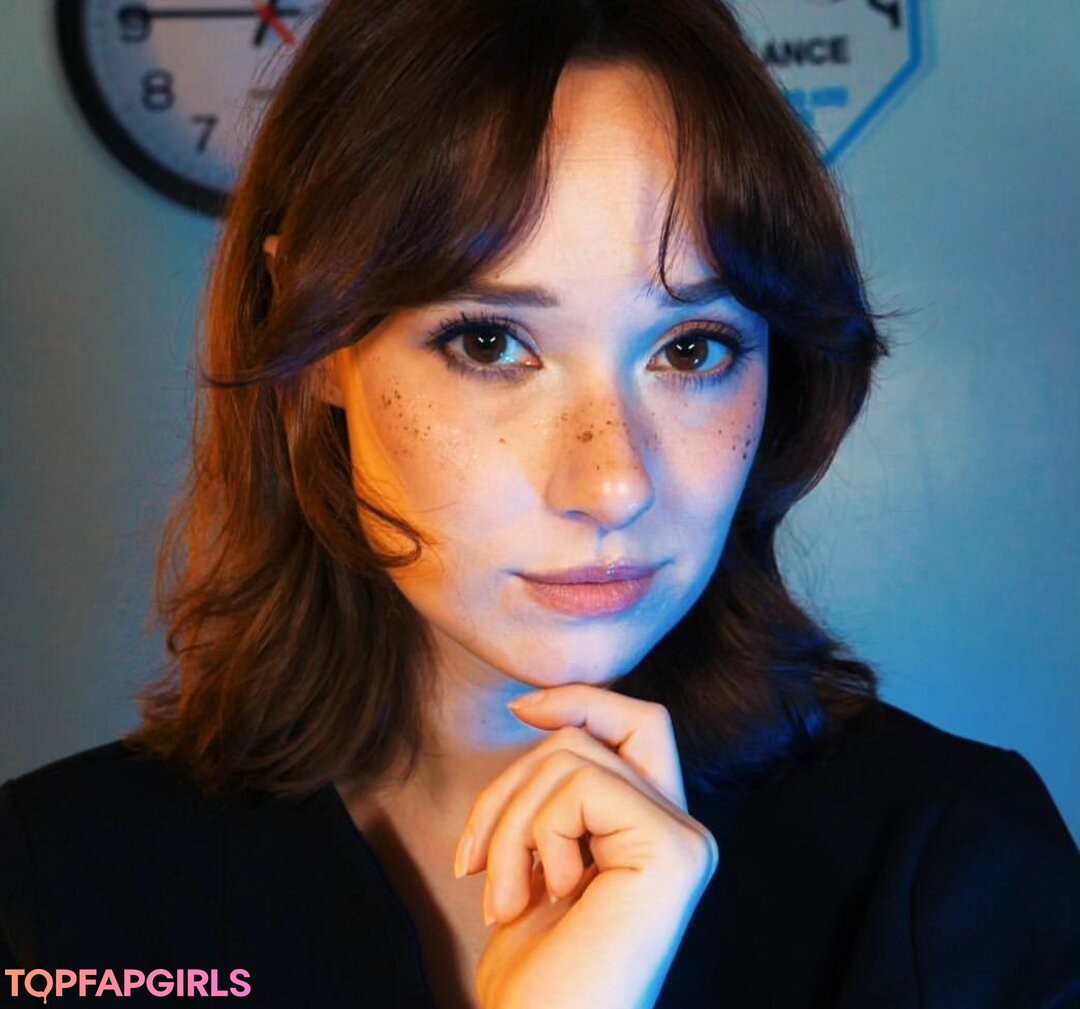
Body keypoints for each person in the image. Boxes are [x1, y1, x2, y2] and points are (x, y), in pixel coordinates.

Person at [2, 0, 1078, 1006]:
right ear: (315, 336)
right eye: (489, 342)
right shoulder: (53, 889)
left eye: (691, 349)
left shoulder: (953, 862)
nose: (612, 483)